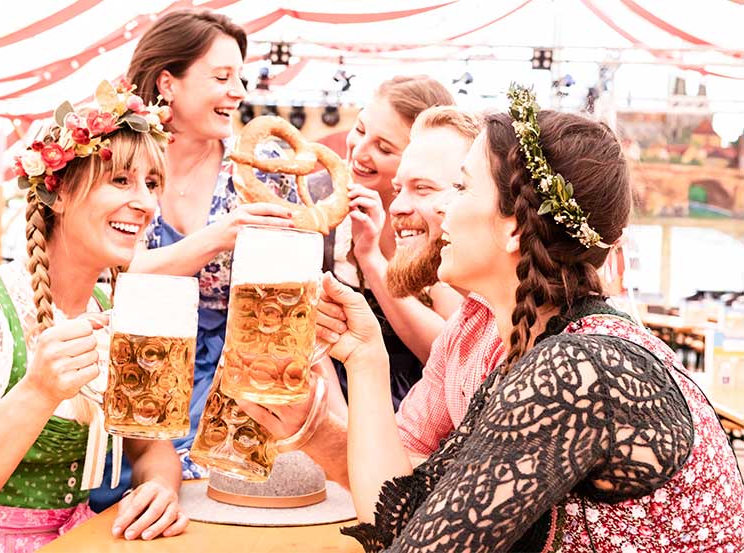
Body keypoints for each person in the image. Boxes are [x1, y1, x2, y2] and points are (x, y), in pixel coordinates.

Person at [318, 87, 744, 551]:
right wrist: (366, 360)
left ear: (515, 227)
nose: (444, 209)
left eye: (460, 187)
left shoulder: (580, 370)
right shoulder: (542, 348)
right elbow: (405, 521)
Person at [0, 81, 187, 552]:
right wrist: (39, 391)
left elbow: (149, 445)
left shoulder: (114, 310)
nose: (145, 203)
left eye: (152, 183)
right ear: (57, 194)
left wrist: (159, 485)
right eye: (121, 180)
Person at [88, 10, 299, 511]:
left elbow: (289, 297)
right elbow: (109, 277)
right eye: (222, 77)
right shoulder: (118, 166)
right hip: (132, 379)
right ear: (169, 82)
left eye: (241, 78)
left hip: (235, 394)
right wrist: (216, 239)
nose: (239, 91)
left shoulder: (259, 171)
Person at [242, 106, 504, 483]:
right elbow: (396, 483)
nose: (397, 206)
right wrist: (361, 359)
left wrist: (317, 430)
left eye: (425, 188)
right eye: (399, 189)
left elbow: (458, 519)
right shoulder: (466, 328)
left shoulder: (547, 347)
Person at [324, 75, 464, 410]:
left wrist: (371, 259)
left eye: (384, 148)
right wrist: (341, 427)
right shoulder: (316, 203)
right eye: (359, 129)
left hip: (416, 404)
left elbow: (448, 355)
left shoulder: (440, 225)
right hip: (325, 395)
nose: (359, 151)